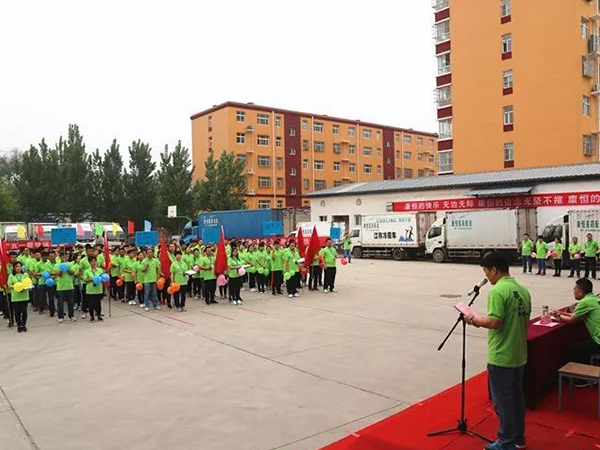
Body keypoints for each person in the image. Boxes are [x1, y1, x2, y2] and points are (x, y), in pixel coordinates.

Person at [463, 252, 531, 450]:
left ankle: (506, 441)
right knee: (517, 399)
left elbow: (494, 322)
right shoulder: (522, 290)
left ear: (494, 269)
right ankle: (518, 439)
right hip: (519, 354)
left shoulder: (498, 291)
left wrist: (473, 319)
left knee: (503, 401)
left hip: (502, 355)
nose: (486, 276)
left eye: (486, 271)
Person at [552, 278, 600, 383]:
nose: (573, 291)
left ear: (581, 291)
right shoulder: (594, 299)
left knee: (571, 349)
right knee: (582, 343)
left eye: (575, 289)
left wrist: (559, 315)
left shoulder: (585, 302)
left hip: (598, 342)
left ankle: (579, 379)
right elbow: (576, 315)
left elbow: (572, 320)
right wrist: (562, 313)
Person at [7, 262, 32, 333]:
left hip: (24, 296)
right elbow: (9, 285)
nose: (18, 268)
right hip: (15, 297)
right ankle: (19, 325)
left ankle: (24, 324)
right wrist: (16, 286)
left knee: (24, 312)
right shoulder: (11, 276)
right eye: (17, 266)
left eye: (19, 266)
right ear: (14, 268)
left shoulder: (25, 274)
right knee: (17, 312)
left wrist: (24, 287)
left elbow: (29, 283)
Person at [54, 254, 76, 322]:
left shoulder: (70, 264)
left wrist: (67, 268)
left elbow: (72, 273)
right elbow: (58, 274)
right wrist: (62, 268)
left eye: (66, 257)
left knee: (71, 302)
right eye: (63, 257)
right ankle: (60, 316)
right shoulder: (57, 265)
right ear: (60, 258)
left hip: (69, 286)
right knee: (60, 303)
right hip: (61, 287)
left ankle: (71, 315)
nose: (64, 258)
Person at [83, 257, 104, 322]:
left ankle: (99, 315)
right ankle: (92, 316)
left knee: (98, 303)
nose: (93, 263)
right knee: (91, 304)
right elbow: (85, 280)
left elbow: (102, 278)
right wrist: (92, 279)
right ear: (89, 262)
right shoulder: (87, 271)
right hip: (90, 290)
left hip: (98, 289)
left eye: (95, 261)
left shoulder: (100, 270)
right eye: (92, 261)